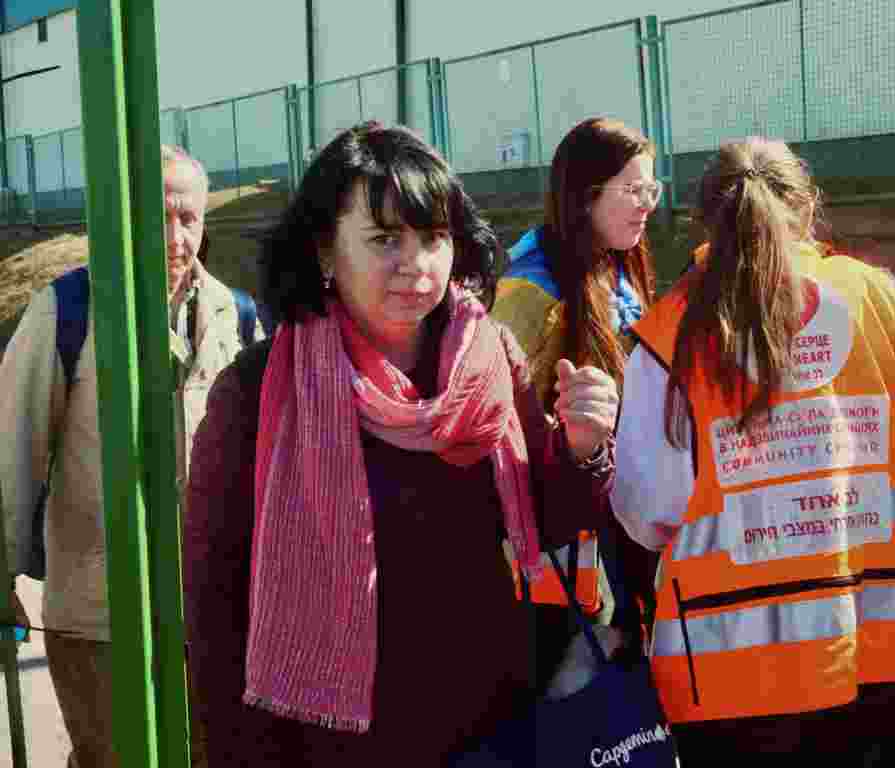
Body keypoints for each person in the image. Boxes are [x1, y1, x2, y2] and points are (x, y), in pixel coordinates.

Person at [181, 121, 620, 766]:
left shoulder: (491, 357)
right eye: (386, 239)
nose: (415, 264)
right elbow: (217, 614)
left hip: (489, 724)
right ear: (326, 252)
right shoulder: (254, 392)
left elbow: (544, 517)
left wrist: (584, 449)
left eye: (434, 237)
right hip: (326, 741)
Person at [611, 137, 895, 761]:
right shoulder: (877, 297)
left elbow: (646, 510)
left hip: (728, 689)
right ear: (809, 205)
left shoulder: (668, 334)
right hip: (889, 663)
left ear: (700, 220)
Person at [0, 144, 263, 768]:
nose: (176, 237)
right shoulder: (68, 310)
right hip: (98, 613)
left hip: (210, 607)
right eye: (157, 217)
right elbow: (11, 445)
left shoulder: (237, 314)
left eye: (189, 218)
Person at [491, 116, 660, 677]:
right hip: (570, 564)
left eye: (651, 188)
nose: (647, 204)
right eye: (633, 190)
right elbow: (499, 427)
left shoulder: (620, 271)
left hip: (631, 531)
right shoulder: (532, 290)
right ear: (586, 198)